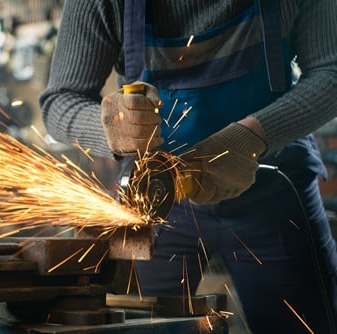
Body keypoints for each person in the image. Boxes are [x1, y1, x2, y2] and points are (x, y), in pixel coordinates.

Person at [39, 1, 337, 333]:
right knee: (138, 327)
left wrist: (253, 137)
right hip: (155, 202)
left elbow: (331, 72)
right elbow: (60, 100)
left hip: (273, 185)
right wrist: (111, 128)